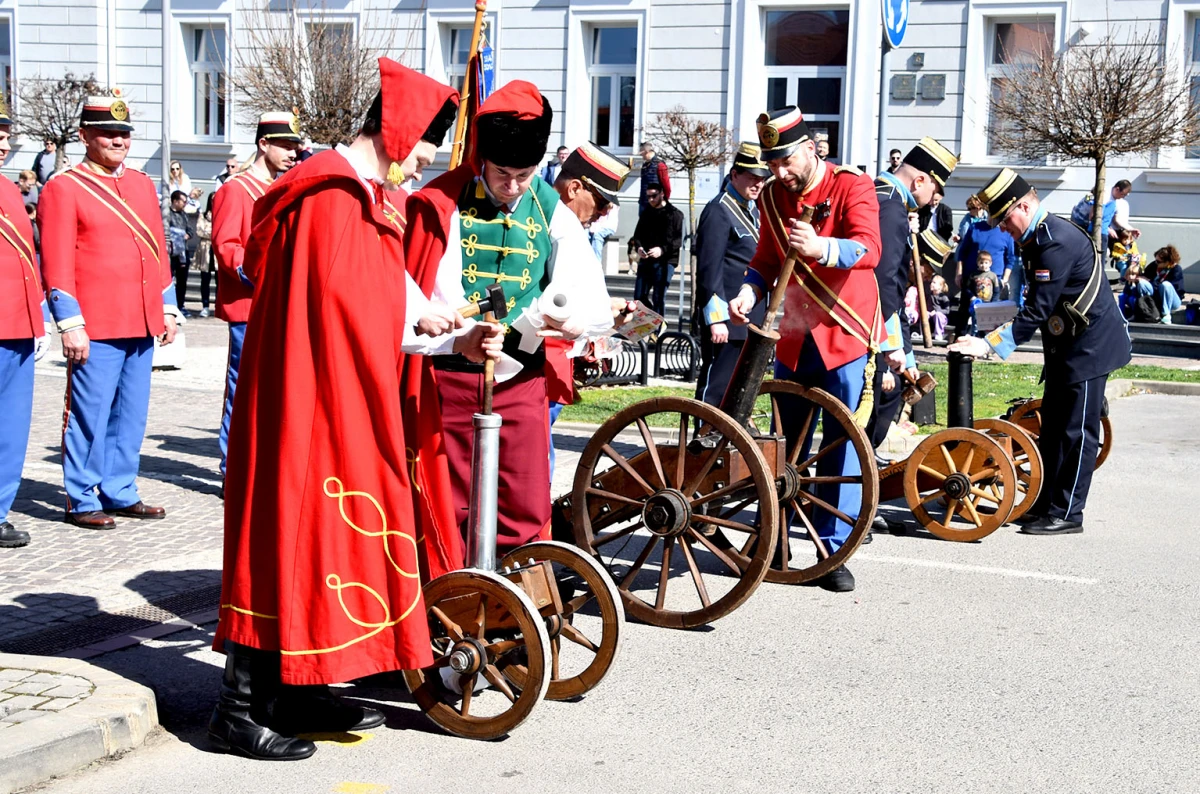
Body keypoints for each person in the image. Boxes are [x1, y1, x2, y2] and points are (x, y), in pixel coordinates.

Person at [209, 58, 490, 761]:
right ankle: (237, 710)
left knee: (318, 543)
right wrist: (405, 326)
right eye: (426, 143)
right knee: (281, 537)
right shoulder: (329, 196)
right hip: (306, 404)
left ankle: (297, 685)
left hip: (342, 396)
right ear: (395, 130)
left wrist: (428, 321)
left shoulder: (366, 196)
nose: (427, 160)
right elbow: (335, 307)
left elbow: (379, 294)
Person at [403, 79, 616, 556]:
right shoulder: (442, 202)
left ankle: (517, 594)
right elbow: (420, 291)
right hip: (452, 375)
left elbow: (589, 295)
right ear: (483, 158)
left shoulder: (550, 206)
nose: (514, 186)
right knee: (453, 497)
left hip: (522, 376)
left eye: (526, 173)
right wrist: (458, 330)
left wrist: (576, 323)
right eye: (503, 173)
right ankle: (452, 596)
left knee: (523, 494)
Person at [728, 106, 884, 592]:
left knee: (840, 448)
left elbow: (869, 249)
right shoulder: (773, 198)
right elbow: (767, 258)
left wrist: (823, 248)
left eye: (785, 162)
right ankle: (772, 540)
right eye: (771, 165)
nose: (778, 174)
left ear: (811, 149)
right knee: (782, 446)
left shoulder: (851, 186)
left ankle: (832, 551)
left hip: (844, 333)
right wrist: (749, 290)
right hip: (794, 336)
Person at [950, 168, 1131, 536]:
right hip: (1067, 347)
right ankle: (1045, 503)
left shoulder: (1054, 241)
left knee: (1078, 432)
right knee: (1052, 431)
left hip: (1090, 348)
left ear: (1024, 205)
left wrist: (988, 344)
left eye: (1003, 219)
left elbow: (1037, 309)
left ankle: (1067, 512)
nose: (1001, 228)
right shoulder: (1035, 240)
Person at [39, 90, 178, 530]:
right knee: (89, 413)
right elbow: (57, 262)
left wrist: (168, 307)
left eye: (124, 134)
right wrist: (69, 323)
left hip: (139, 317)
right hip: (95, 323)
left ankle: (120, 489)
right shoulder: (65, 187)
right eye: (108, 134)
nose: (118, 141)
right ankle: (80, 496)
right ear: (85, 136)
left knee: (131, 413)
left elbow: (158, 249)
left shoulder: (138, 184)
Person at [866, 137, 957, 542]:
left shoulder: (885, 199)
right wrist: (892, 349)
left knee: (877, 416)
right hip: (869, 331)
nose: (932, 199)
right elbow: (883, 284)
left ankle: (858, 501)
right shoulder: (888, 206)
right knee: (870, 417)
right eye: (934, 191)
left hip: (874, 326)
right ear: (920, 180)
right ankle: (850, 505)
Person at [211, 112, 301, 484]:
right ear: (263, 144)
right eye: (284, 145)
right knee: (243, 389)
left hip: (280, 303)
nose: (293, 153)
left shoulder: (284, 187)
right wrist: (261, 276)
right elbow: (227, 246)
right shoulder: (236, 189)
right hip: (250, 304)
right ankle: (234, 468)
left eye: (295, 146)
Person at [549, 141, 631, 470]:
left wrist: (610, 314)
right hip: (543, 354)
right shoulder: (555, 223)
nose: (602, 213)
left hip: (559, 353)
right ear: (574, 188)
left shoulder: (568, 224)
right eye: (599, 203)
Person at [0, 99, 51, 549]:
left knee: (12, 426)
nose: (3, 142)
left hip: (16, 323)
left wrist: (39, 318)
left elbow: (26, 259)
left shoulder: (8, 190)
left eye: (4, 134)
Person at [693, 142, 769, 407]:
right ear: (735, 174)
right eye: (752, 177)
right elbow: (708, 270)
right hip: (726, 318)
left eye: (762, 178)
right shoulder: (719, 210)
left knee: (737, 388)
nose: (758, 184)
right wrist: (716, 320)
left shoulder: (755, 211)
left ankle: (726, 439)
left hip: (748, 316)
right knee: (717, 386)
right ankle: (703, 440)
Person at [953, 207, 1017, 332]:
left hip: (994, 282)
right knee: (964, 313)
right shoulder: (975, 227)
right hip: (971, 278)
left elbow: (1010, 259)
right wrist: (959, 273)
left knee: (991, 318)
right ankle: (958, 343)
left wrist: (1005, 279)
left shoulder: (1006, 233)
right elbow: (962, 252)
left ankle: (988, 347)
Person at [629, 184, 683, 315]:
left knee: (658, 297)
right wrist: (639, 247)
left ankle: (657, 329)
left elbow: (678, 240)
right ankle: (647, 324)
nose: (651, 199)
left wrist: (662, 250)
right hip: (647, 260)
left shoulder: (675, 214)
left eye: (654, 196)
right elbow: (638, 235)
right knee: (639, 296)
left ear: (662, 194)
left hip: (666, 261)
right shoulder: (647, 213)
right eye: (648, 197)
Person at [165, 190, 198, 316]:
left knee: (182, 281)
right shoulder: (166, 214)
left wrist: (187, 235)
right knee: (168, 279)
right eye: (183, 201)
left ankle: (180, 304)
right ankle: (169, 305)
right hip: (170, 252)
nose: (185, 204)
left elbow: (190, 230)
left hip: (182, 253)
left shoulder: (184, 215)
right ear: (175, 201)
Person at [1099, 179, 1139, 251]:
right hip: (1097, 229)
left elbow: (1116, 220)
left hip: (1106, 230)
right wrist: (1108, 229)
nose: (1123, 197)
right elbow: (1095, 216)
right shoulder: (1105, 196)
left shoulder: (1116, 200)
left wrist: (1130, 229)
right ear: (1117, 189)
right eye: (1123, 194)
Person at [638, 141, 671, 213]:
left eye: (641, 152)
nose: (641, 155)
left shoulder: (660, 165)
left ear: (646, 151)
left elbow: (667, 187)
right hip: (644, 203)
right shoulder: (645, 166)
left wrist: (664, 201)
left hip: (656, 204)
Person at [195, 199, 214, 317]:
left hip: (217, 250)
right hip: (205, 249)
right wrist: (213, 233)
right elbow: (200, 231)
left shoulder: (222, 212)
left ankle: (218, 305)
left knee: (219, 280)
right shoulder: (203, 215)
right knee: (205, 279)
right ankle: (205, 305)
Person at [928, 274, 951, 340]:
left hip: (941, 318)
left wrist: (936, 312)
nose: (932, 284)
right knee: (925, 313)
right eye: (932, 282)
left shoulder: (943, 297)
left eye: (934, 283)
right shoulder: (930, 295)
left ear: (940, 287)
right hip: (931, 315)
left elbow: (947, 311)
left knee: (937, 315)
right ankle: (923, 333)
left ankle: (938, 334)